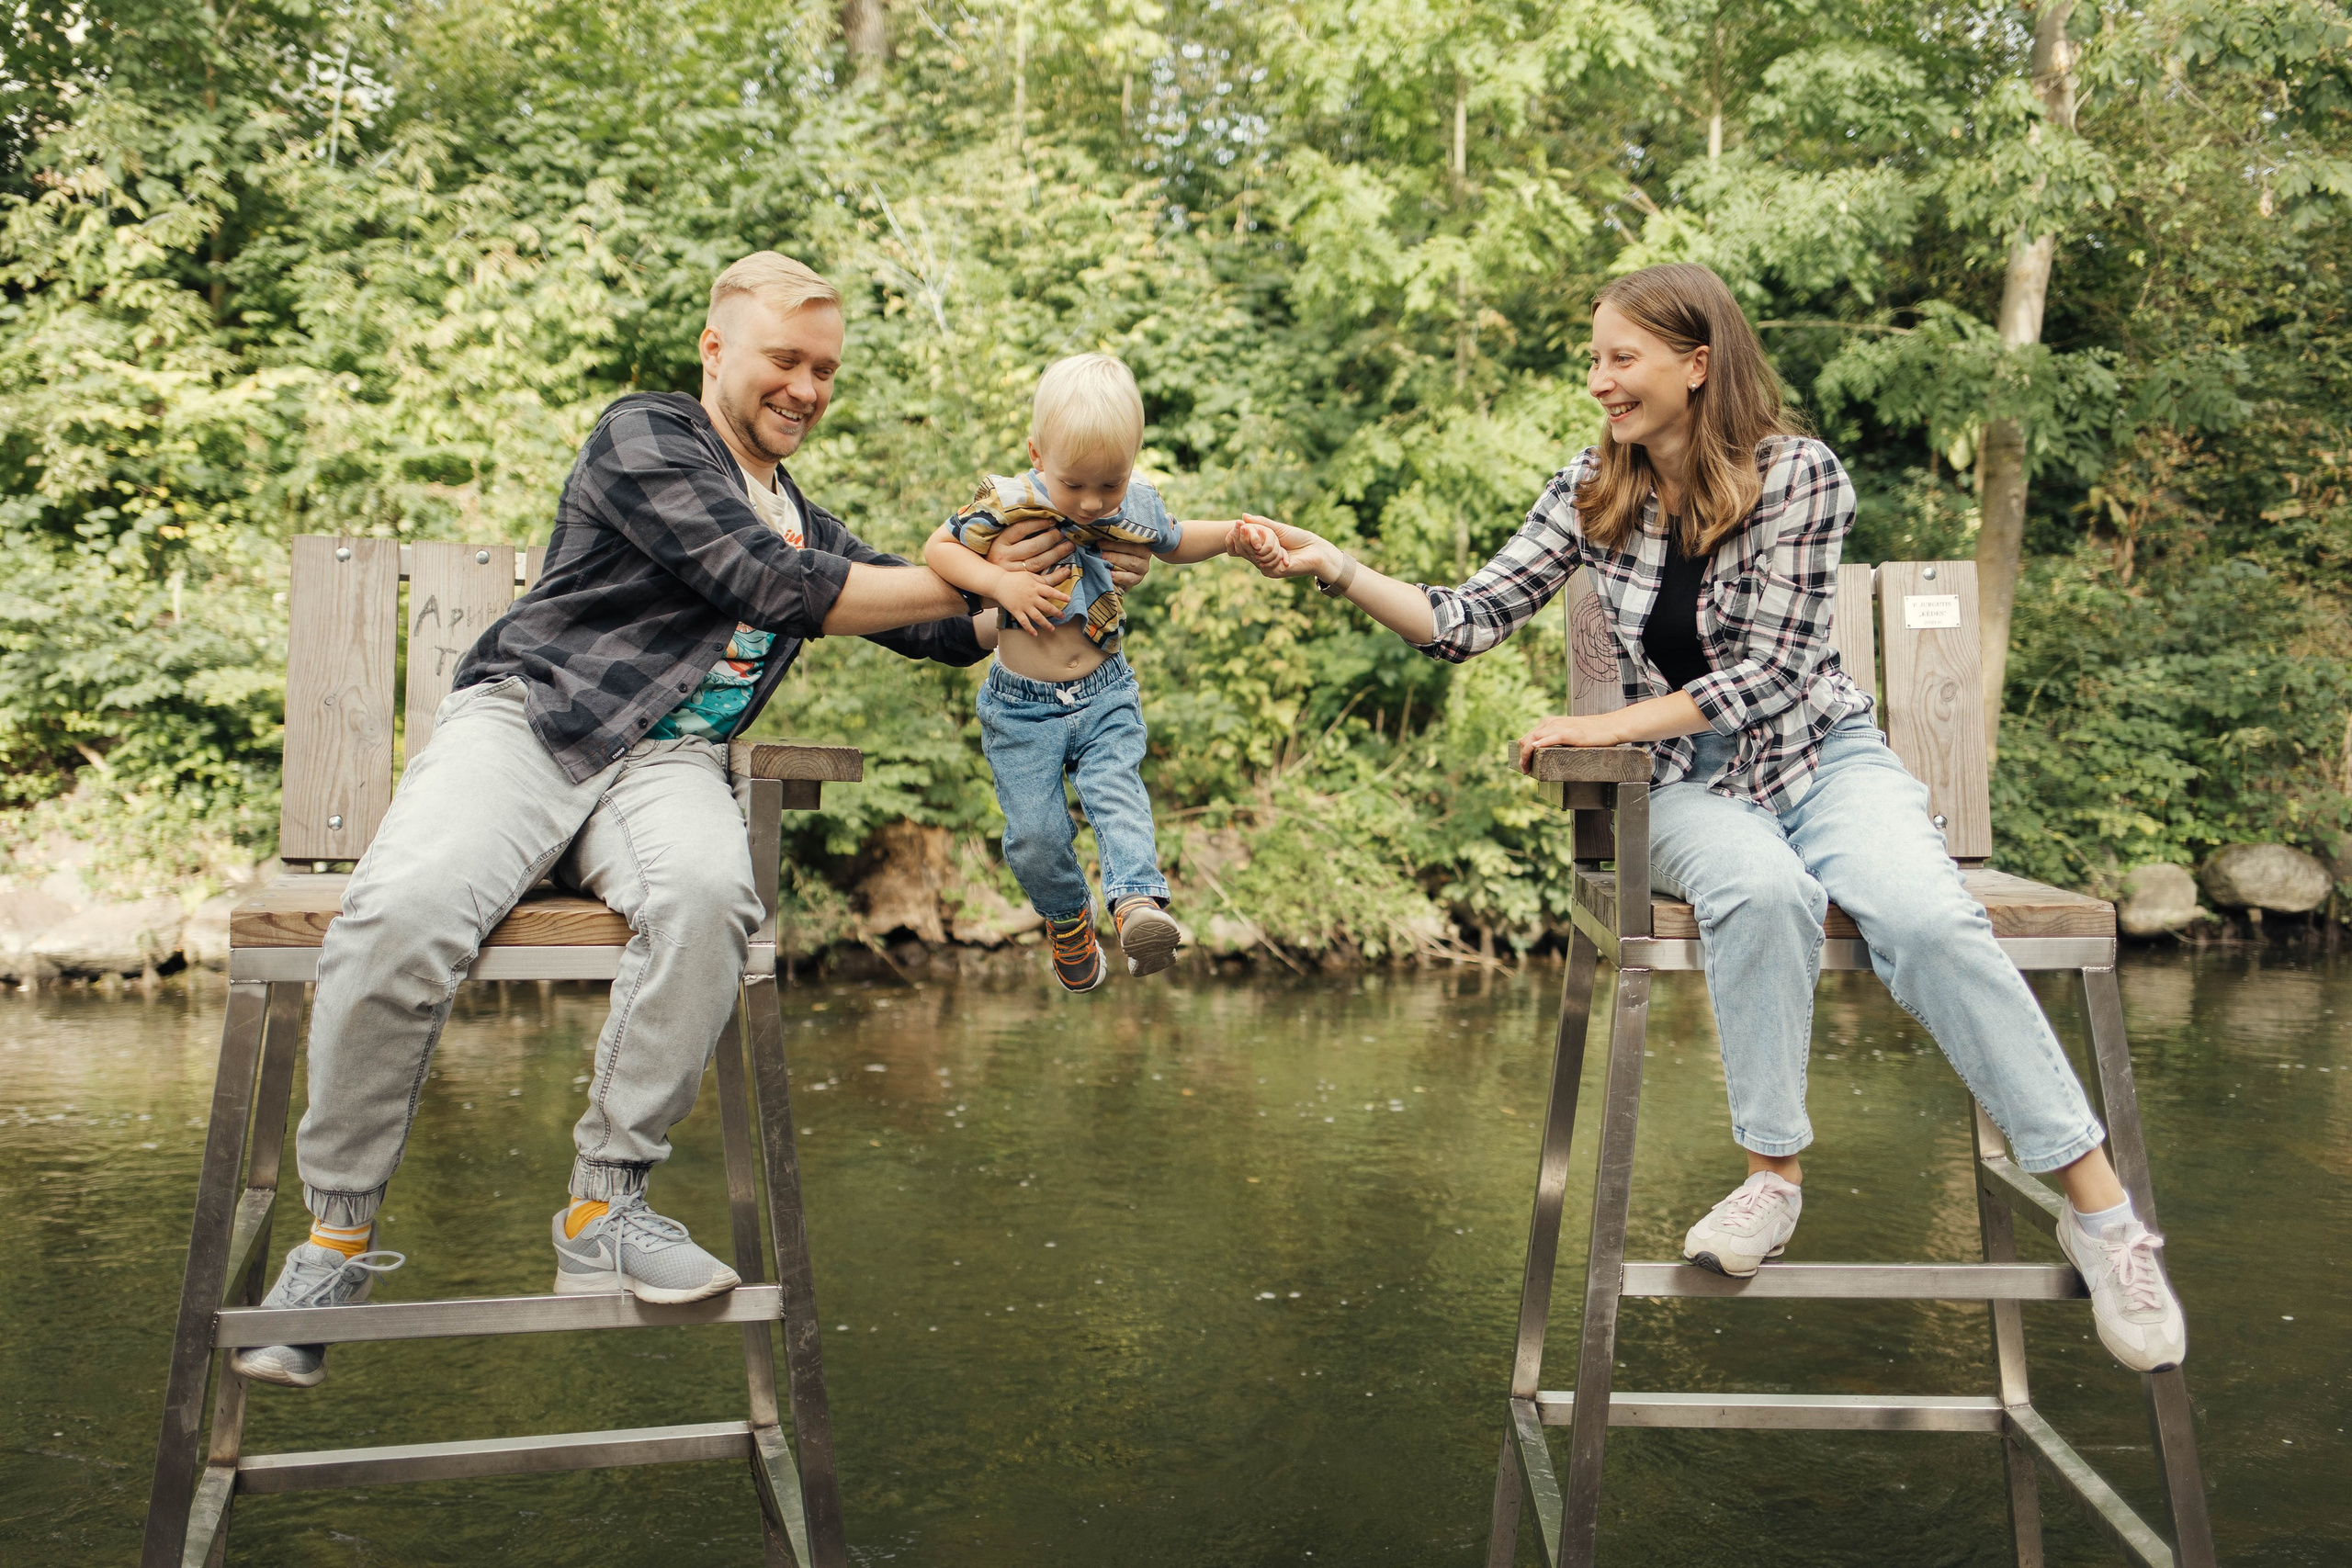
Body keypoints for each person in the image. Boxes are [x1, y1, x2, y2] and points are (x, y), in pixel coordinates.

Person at [1232, 262, 2187, 1374]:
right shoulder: (1590, 488)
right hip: (1683, 784)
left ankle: (2102, 1218)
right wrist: (1336, 568)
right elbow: (1465, 619)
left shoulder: (1800, 477)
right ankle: (1770, 1178)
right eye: (1593, 360)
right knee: (1761, 888)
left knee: (1929, 919)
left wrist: (1602, 723)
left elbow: (1772, 675)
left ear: (1696, 364)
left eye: (1620, 358)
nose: (1599, 381)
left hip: (1823, 759)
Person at [231, 252, 1152, 1388]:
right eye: (785, 359)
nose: (806, 388)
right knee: (405, 906)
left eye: (825, 370)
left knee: (714, 897)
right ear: (715, 350)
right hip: (535, 723)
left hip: (667, 766)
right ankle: (334, 1242)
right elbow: (774, 586)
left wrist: (1054, 585)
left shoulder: (803, 515)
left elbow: (927, 627)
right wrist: (984, 574)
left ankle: (602, 1212)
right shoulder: (645, 438)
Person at [921, 353, 1269, 992]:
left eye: (1110, 483)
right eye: (1074, 483)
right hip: (1021, 706)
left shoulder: (1131, 503)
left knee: (1117, 793)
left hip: (1106, 690)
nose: (1091, 502)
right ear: (1037, 454)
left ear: (1132, 463)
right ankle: (1068, 920)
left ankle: (1137, 905)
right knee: (1034, 835)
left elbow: (1176, 538)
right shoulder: (1008, 502)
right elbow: (938, 549)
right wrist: (999, 581)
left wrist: (1233, 539)